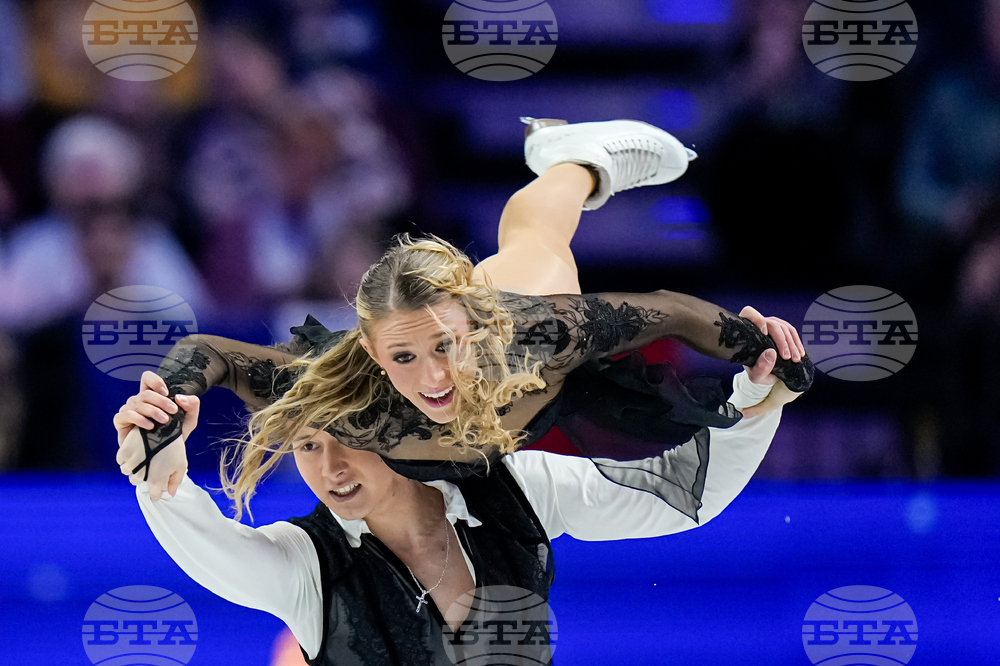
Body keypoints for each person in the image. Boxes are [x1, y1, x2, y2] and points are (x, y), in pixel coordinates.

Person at [117, 118, 812, 525]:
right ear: (371, 354)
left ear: (472, 329)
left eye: (445, 348)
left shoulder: (540, 335)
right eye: (405, 360)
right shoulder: (352, 392)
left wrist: (761, 345)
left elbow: (676, 311)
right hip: (443, 347)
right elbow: (210, 351)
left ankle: (573, 161)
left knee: (538, 247)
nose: (435, 379)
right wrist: (170, 413)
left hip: (513, 326)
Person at [116, 335, 790, 665]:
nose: (331, 469)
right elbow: (204, 538)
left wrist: (757, 400)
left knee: (536, 256)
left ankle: (571, 169)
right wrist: (160, 467)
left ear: (391, 429)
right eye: (308, 448)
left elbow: (679, 497)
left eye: (346, 440)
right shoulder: (306, 568)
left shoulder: (515, 488)